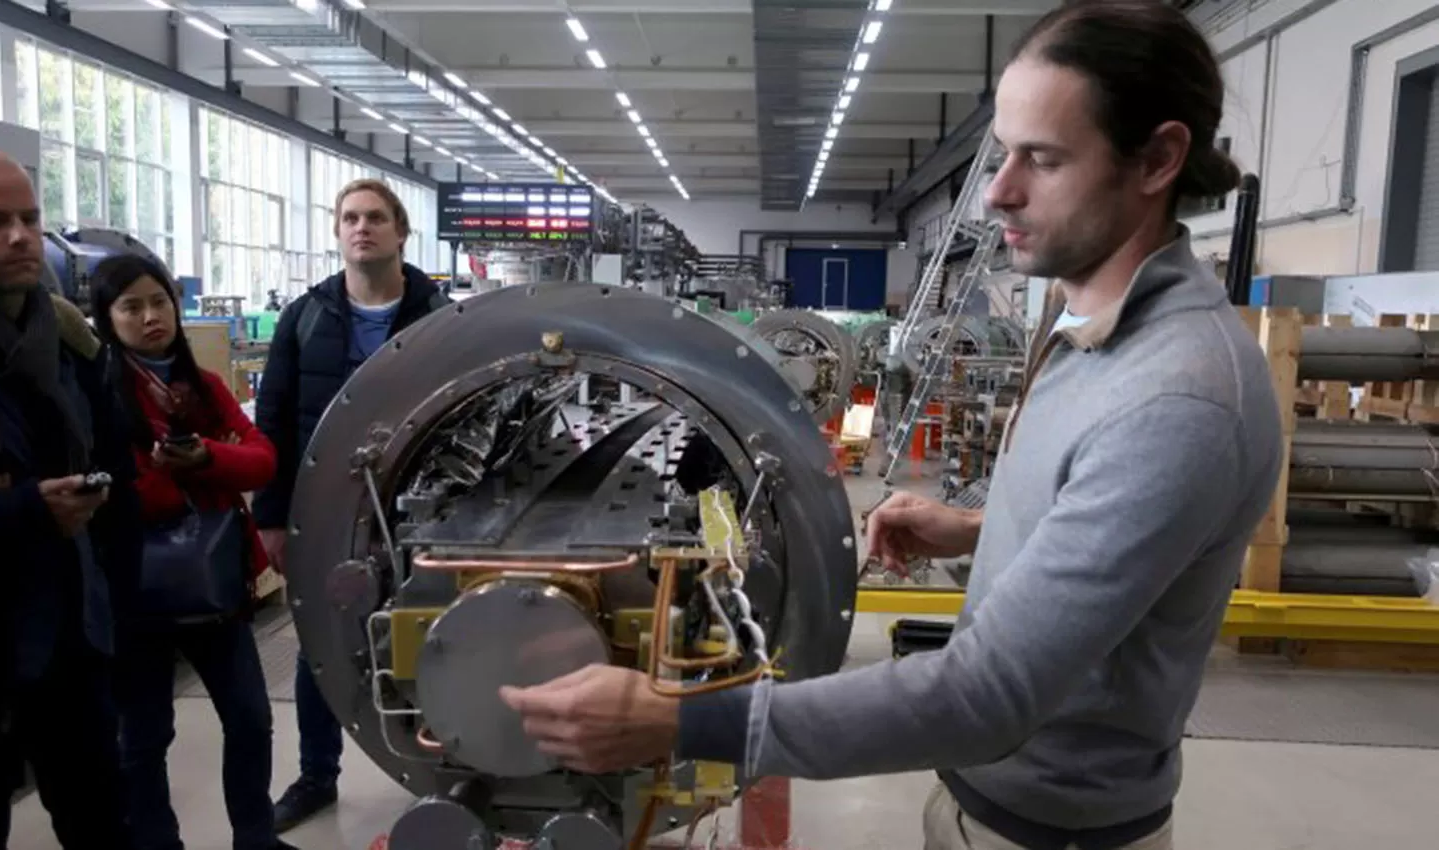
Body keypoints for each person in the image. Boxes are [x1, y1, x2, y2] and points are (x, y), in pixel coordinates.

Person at [498, 3, 1284, 850]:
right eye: (1002, 152)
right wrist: (980, 529)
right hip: (989, 805)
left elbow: (984, 696)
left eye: (1043, 159)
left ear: (1157, 158)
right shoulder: (1090, 327)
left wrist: (680, 721)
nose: (998, 191)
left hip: (1051, 830)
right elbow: (1115, 536)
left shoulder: (1176, 396)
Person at [0, 147, 140, 849]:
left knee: (99, 819)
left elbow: (118, 466)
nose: (21, 236)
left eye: (30, 217)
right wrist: (23, 511)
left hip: (72, 638)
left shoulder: (70, 340)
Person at [254, 177, 450, 832]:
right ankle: (317, 774)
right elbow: (274, 423)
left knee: (433, 638)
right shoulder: (305, 318)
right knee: (320, 644)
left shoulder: (440, 315)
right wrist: (272, 518)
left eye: (374, 217)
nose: (360, 228)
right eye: (348, 218)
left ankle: (440, 772)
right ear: (337, 231)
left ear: (400, 231)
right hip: (327, 511)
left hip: (422, 513)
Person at [89, 254, 296, 850]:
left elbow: (263, 459)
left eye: (159, 302)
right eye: (131, 307)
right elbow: (119, 483)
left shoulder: (201, 385)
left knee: (251, 719)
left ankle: (255, 837)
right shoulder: (98, 389)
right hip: (134, 588)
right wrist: (200, 469)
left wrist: (206, 456)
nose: (151, 317)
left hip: (215, 583)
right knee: (145, 735)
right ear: (107, 317)